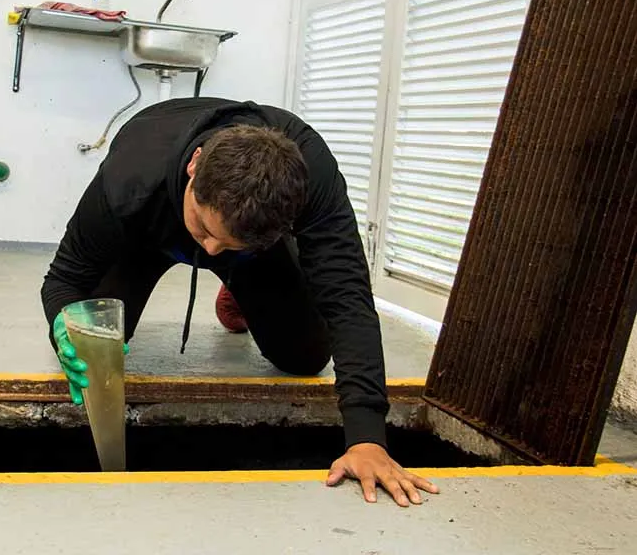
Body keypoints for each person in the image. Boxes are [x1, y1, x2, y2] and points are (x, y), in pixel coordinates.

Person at [40, 97, 440, 507]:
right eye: (203, 228)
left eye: (225, 245)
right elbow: (63, 279)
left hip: (254, 258)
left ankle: (241, 282)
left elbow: (348, 299)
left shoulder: (313, 176)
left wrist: (368, 438)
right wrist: (63, 323)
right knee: (96, 339)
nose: (211, 250)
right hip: (145, 236)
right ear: (194, 165)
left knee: (304, 357)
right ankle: (220, 247)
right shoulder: (131, 177)